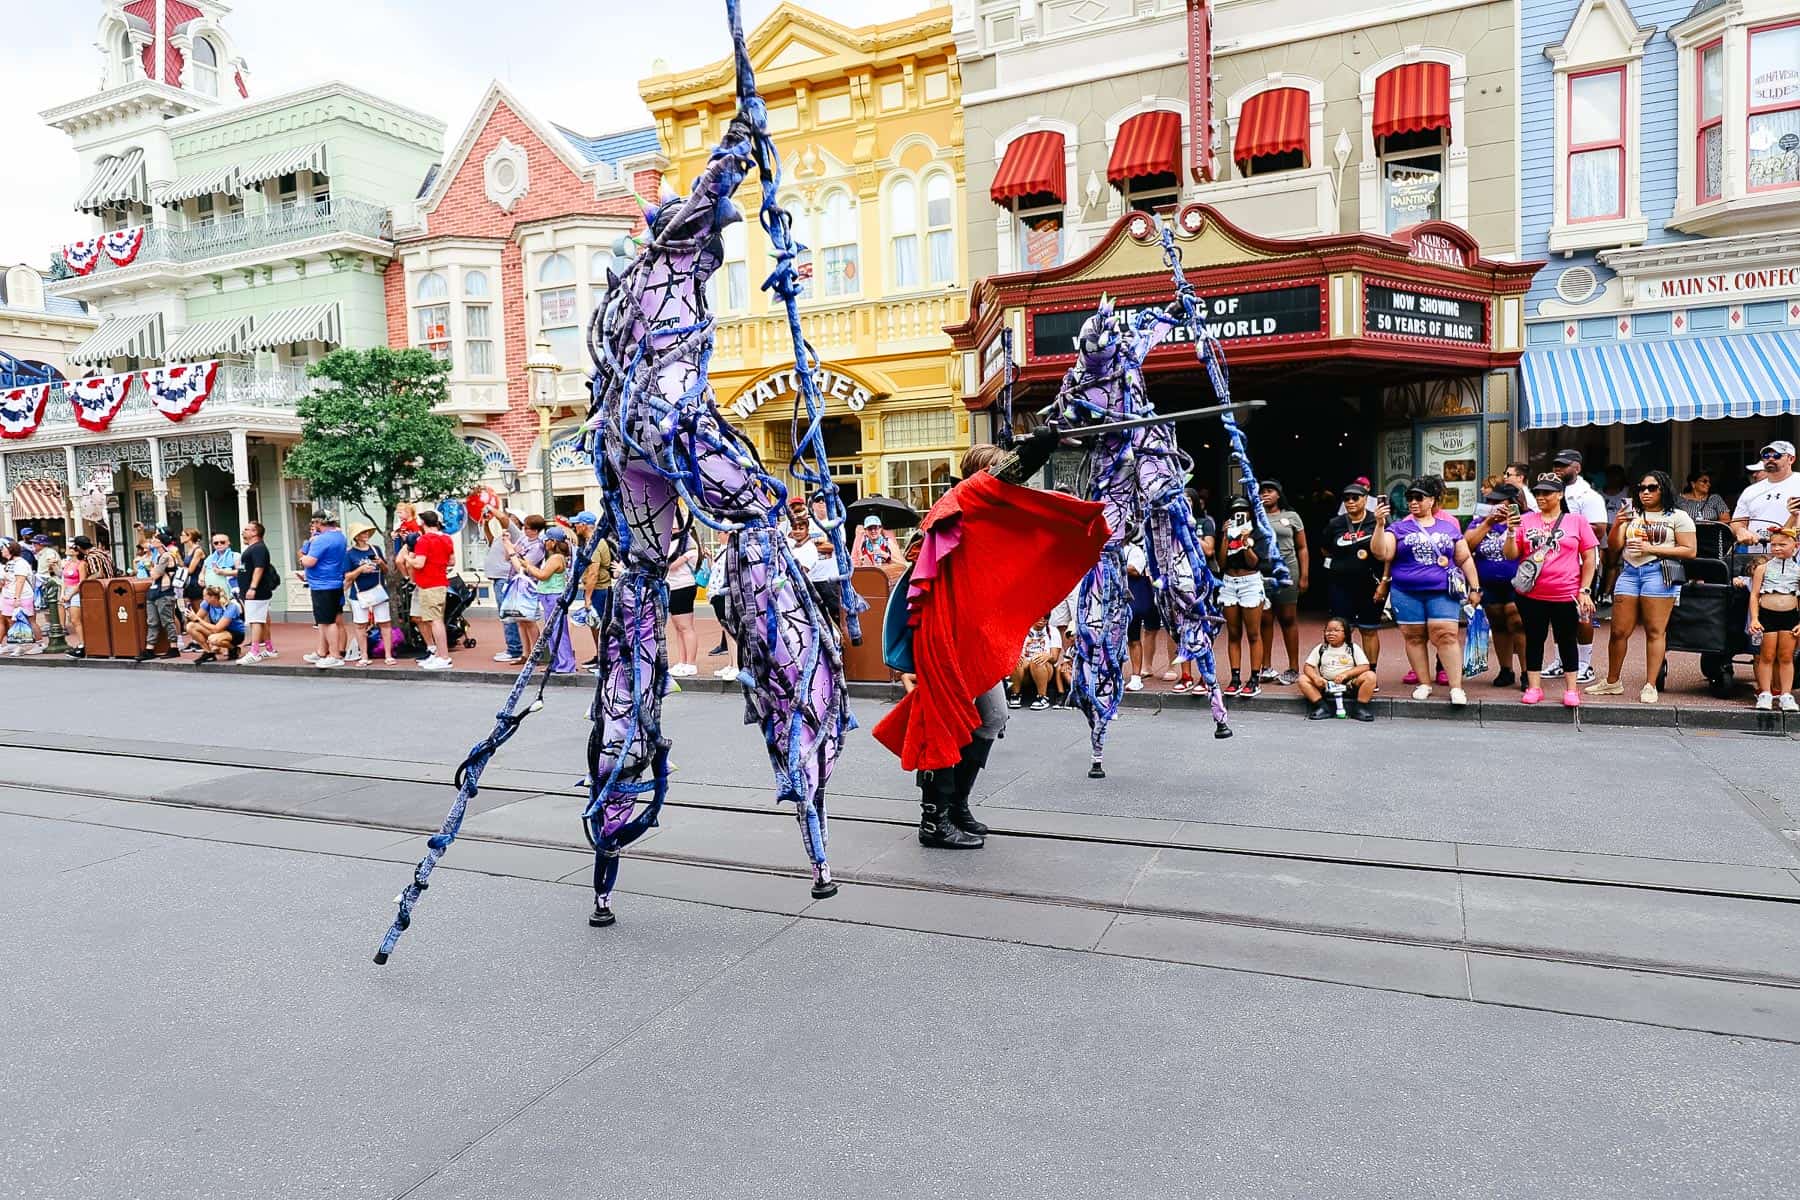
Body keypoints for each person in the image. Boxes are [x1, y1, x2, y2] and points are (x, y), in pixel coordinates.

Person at [1588, 471, 1697, 703]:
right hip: (1629, 571)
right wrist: (1618, 523)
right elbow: (1615, 548)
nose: (1645, 492)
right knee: (1618, 631)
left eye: (1652, 488)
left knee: (1654, 631)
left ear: (1664, 490)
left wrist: (1651, 549)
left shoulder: (1677, 516)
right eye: (1641, 488)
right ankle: (1612, 681)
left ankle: (1650, 684)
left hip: (1659, 571)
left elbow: (1689, 550)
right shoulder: (1633, 513)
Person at [1373, 475, 1479, 705]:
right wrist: (1380, 526)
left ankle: (1456, 687)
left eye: (1419, 498)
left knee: (1446, 634)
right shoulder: (1397, 527)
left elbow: (1465, 558)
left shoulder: (1448, 526)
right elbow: (1383, 553)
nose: (1413, 502)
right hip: (1406, 590)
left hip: (1442, 589)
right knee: (1414, 637)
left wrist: (1475, 587)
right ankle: (1424, 683)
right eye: (1410, 498)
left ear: (1431, 501)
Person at [1503, 475, 1599, 707]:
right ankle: (1534, 687)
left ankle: (1572, 689)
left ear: (1559, 495)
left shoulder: (1576, 521)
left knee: (1566, 639)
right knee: (1534, 639)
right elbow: (1511, 555)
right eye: (1538, 493)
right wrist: (1510, 532)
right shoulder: (1525, 521)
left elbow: (1589, 558)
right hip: (1532, 594)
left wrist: (1584, 589)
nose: (1541, 497)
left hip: (1566, 592)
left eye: (1547, 492)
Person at [1547, 449, 1607, 683]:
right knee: (1556, 613)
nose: (1558, 469)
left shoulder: (1588, 496)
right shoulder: (1551, 492)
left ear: (1577, 468)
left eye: (1563, 465)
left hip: (1583, 562)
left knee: (1583, 613)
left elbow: (1600, 529)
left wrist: (1567, 526)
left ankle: (1584, 664)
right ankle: (1561, 661)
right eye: (1555, 464)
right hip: (1556, 562)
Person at [1323, 480, 1385, 674]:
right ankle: (1343, 670)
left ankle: (1370, 672)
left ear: (1365, 500)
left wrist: (1384, 582)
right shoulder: (1336, 523)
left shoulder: (1376, 521)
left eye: (1355, 498)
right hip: (1341, 585)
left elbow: (1387, 553)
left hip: (1369, 584)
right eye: (1346, 498)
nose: (1350, 502)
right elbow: (1325, 548)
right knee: (1343, 630)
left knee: (1369, 629)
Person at [1467, 483, 1525, 688]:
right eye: (1490, 501)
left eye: (1498, 501)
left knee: (1517, 622)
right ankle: (1506, 669)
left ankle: (1527, 672)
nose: (1493, 505)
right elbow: (1467, 546)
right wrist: (1488, 523)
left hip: (1517, 581)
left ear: (1512, 503)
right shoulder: (1479, 522)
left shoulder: (1523, 521)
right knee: (1498, 624)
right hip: (1489, 582)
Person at [1256, 479, 1308, 685]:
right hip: (1262, 572)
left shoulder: (1292, 516)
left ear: (1279, 494)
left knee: (1288, 618)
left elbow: (1302, 547)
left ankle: (1293, 667)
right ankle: (1266, 667)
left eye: (1269, 491)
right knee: (1264, 620)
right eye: (1261, 492)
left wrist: (1304, 575)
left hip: (1288, 571)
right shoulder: (1255, 516)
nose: (1265, 495)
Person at [1216, 495, 1266, 698]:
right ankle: (1235, 677)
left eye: (1244, 510)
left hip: (1250, 581)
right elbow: (1221, 563)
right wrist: (1226, 537)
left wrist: (1246, 542)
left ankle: (1254, 678)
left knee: (1253, 633)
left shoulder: (1258, 530)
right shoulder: (1227, 530)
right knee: (1233, 633)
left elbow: (1254, 562)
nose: (1240, 514)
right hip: (1229, 581)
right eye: (1236, 510)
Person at [1747, 526, 1799, 711]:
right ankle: (1765, 693)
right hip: (1767, 616)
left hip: (1790, 616)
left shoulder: (1798, 570)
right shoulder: (1763, 568)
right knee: (1766, 655)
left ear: (1795, 546)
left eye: (1782, 544)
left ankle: (1786, 694)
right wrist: (1754, 618)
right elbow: (1754, 595)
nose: (1776, 548)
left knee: (1786, 656)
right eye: (1773, 545)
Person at [402, 508, 457, 670]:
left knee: (435, 621)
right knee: (436, 619)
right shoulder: (446, 538)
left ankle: (443, 656)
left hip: (429, 584)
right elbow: (452, 561)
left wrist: (407, 557)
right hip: (440, 582)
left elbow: (419, 563)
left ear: (423, 523)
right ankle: (440, 655)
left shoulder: (424, 540)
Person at [1730, 441, 1800, 568]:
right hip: (1757, 560)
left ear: (1791, 459)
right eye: (1766, 456)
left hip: (1794, 559)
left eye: (1777, 456)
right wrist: (1741, 530)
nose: (1770, 459)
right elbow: (1737, 521)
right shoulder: (1750, 491)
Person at [1298, 616, 1377, 721]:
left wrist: (1346, 675)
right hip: (1326, 684)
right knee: (1303, 679)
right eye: (1328, 630)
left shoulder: (1352, 648)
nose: (1331, 634)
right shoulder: (1321, 648)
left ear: (1345, 633)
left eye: (1336, 631)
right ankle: (1322, 706)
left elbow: (1364, 666)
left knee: (1370, 676)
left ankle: (1360, 708)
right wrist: (1316, 678)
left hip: (1349, 684)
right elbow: (1308, 666)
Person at [298, 512, 348, 668]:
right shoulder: (340, 537)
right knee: (325, 620)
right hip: (335, 582)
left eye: (314, 523)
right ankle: (322, 651)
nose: (314, 526)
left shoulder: (322, 540)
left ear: (319, 522)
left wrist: (302, 559)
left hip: (322, 584)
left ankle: (334, 655)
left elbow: (309, 561)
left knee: (327, 621)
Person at [344, 523, 397, 667]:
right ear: (356, 536)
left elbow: (386, 571)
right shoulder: (350, 554)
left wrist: (380, 563)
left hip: (378, 590)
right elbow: (347, 576)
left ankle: (388, 654)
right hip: (359, 593)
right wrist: (360, 569)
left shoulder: (376, 549)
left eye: (367, 532)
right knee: (360, 625)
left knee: (385, 623)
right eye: (362, 532)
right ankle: (364, 655)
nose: (366, 534)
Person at [1122, 535, 1164, 692]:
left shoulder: (1134, 550)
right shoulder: (1107, 549)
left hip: (1131, 599)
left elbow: (1135, 570)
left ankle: (1136, 677)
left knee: (1133, 638)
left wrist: (1115, 565)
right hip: (1112, 600)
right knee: (1114, 640)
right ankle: (1115, 675)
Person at [136, 527, 183, 662]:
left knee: (167, 620)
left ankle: (174, 647)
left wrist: (149, 567)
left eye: (155, 539)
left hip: (164, 591)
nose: (152, 541)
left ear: (161, 543)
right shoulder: (157, 556)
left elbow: (156, 574)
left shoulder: (166, 556)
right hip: (154, 591)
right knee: (152, 621)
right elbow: (143, 543)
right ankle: (149, 648)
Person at [235, 522, 278, 663]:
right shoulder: (252, 549)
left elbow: (259, 568)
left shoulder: (258, 548)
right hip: (252, 590)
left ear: (255, 532)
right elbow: (245, 569)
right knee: (263, 619)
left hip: (257, 591)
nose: (243, 532)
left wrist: (252, 588)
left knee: (255, 620)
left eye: (247, 529)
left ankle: (254, 652)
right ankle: (269, 649)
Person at [1008, 615, 1064, 710]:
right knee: (1016, 660)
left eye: (1046, 616)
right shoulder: (1021, 628)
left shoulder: (1052, 631)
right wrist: (1016, 654)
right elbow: (1010, 649)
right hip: (1023, 668)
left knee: (1037, 660)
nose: (1042, 619)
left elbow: (1054, 658)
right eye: (1039, 616)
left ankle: (1042, 696)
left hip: (1044, 668)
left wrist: (1048, 656)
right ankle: (1015, 695)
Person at [665, 529, 700, 677]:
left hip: (684, 586)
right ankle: (682, 661)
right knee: (678, 628)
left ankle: (691, 663)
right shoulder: (672, 543)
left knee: (686, 627)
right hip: (671, 587)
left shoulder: (690, 548)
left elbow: (671, 565)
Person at [186, 584, 246, 664]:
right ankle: (208, 652)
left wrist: (198, 619)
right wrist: (190, 615)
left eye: (205, 596)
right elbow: (196, 619)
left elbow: (217, 628)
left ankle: (233, 648)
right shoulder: (207, 603)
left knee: (213, 639)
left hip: (235, 633)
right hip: (218, 631)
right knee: (191, 626)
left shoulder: (231, 607)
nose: (203, 598)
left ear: (213, 597)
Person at [0, 541, 34, 656]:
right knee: (10, 620)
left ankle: (24, 646)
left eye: (3, 548)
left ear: (10, 550)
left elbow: (20, 581)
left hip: (21, 596)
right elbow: (9, 578)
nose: (2, 550)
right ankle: (14, 643)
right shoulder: (10, 563)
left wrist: (17, 598)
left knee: (23, 620)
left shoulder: (21, 563)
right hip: (8, 595)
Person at [176, 528, 206, 650]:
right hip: (187, 583)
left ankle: (202, 639)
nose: (181, 537)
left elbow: (191, 569)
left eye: (183, 535)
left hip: (195, 583)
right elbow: (184, 566)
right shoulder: (189, 550)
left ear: (189, 536)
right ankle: (194, 639)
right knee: (189, 611)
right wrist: (177, 556)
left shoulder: (198, 550)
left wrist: (178, 574)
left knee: (198, 611)